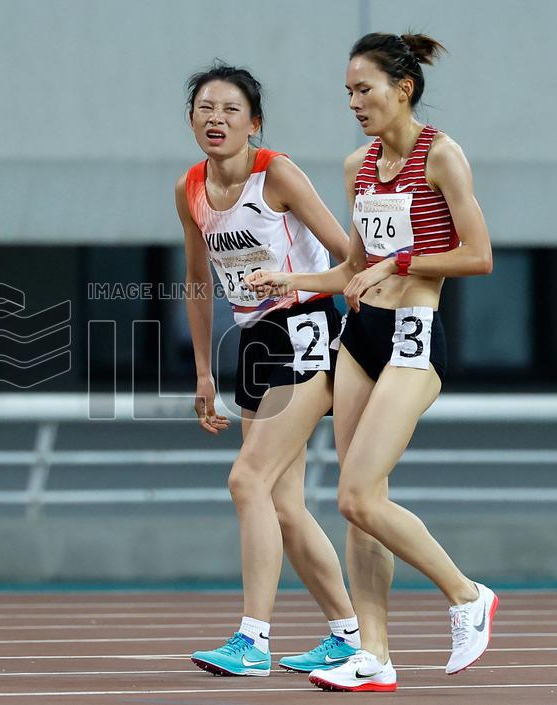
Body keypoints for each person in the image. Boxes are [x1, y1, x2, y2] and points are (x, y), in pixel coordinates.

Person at [247, 33, 497, 692]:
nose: (355, 103)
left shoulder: (442, 156)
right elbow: (355, 268)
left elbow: (479, 255)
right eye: (348, 93)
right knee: (359, 505)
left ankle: (468, 594)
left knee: (357, 491)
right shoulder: (358, 165)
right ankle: (377, 654)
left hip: (415, 336)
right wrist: (293, 280)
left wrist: (399, 262)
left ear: (403, 88)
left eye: (365, 90)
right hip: (360, 336)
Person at [176, 62, 361, 678]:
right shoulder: (191, 190)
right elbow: (199, 283)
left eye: (230, 110)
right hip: (254, 340)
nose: (216, 119)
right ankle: (346, 635)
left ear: (254, 123)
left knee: (245, 481)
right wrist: (203, 372)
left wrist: (296, 282)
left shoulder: (276, 173)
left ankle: (252, 638)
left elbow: (348, 256)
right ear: (191, 120)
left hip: (306, 328)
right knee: (283, 505)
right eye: (205, 108)